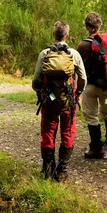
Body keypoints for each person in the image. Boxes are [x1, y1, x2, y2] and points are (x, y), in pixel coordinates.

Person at [32, 21, 86, 181]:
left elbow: (35, 80)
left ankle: (48, 169)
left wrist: (41, 92)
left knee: (48, 133)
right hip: (69, 101)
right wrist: (79, 93)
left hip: (49, 101)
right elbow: (82, 77)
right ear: (67, 36)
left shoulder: (44, 54)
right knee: (67, 133)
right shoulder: (74, 54)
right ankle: (62, 172)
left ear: (53, 34)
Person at [77, 12, 107, 159]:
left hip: (90, 86)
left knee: (91, 115)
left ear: (86, 27)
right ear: (99, 25)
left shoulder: (82, 45)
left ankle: (96, 147)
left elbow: (79, 67)